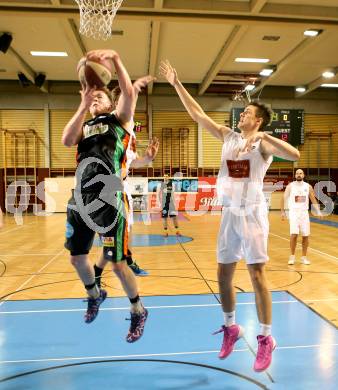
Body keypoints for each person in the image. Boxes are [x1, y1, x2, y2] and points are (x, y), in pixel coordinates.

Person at [160, 59, 300, 372]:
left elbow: (294, 155)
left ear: (258, 121)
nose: (242, 115)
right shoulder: (228, 136)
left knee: (256, 274)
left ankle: (266, 338)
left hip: (252, 214)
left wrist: (266, 139)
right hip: (229, 213)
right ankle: (231, 327)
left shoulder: (262, 145)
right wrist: (176, 84)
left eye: (248, 113)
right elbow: (197, 114)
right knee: (223, 274)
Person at [62, 49, 147, 343]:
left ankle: (138, 309)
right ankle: (94, 294)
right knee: (77, 259)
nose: (96, 97)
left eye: (100, 95)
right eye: (92, 95)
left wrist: (117, 60)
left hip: (110, 198)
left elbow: (128, 92)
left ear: (112, 102)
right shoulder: (84, 125)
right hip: (81, 199)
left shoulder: (119, 119)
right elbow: (65, 140)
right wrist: (82, 105)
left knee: (117, 263)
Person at [94, 77, 159, 286]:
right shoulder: (114, 120)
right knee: (114, 234)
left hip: (118, 186)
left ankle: (120, 262)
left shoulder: (126, 135)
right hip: (103, 187)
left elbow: (133, 163)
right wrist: (135, 88)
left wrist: (148, 158)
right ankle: (116, 265)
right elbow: (128, 102)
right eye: (126, 96)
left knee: (119, 232)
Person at [281, 169, 322, 265]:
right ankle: (292, 257)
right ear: (295, 175)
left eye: (300, 173)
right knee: (294, 234)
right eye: (297, 173)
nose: (299, 175)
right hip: (294, 213)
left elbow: (313, 199)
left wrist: (319, 211)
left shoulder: (308, 186)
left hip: (304, 213)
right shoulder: (290, 186)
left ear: (303, 175)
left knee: (305, 235)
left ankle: (304, 257)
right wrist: (282, 211)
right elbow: (283, 198)